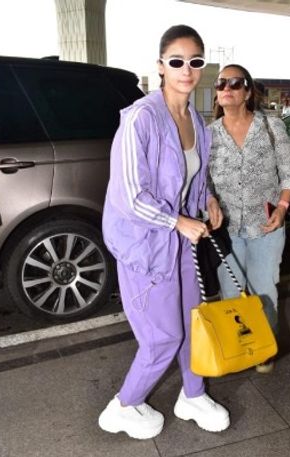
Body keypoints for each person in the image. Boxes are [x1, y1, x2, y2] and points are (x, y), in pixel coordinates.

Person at [98, 24, 230, 440]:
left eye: (195, 61)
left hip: (182, 243)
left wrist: (208, 199)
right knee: (163, 337)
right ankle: (124, 405)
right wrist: (177, 221)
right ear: (160, 66)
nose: (186, 70)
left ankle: (193, 394)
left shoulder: (196, 120)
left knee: (193, 323)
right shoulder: (141, 118)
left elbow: (193, 177)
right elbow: (129, 196)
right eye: (176, 61)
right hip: (145, 245)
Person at [207, 64, 290, 374]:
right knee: (230, 294)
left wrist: (283, 207)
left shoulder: (271, 127)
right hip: (226, 229)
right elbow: (201, 180)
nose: (227, 88)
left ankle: (264, 349)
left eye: (235, 83)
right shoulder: (209, 135)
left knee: (264, 291)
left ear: (247, 92)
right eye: (221, 83)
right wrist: (208, 200)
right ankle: (237, 346)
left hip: (266, 227)